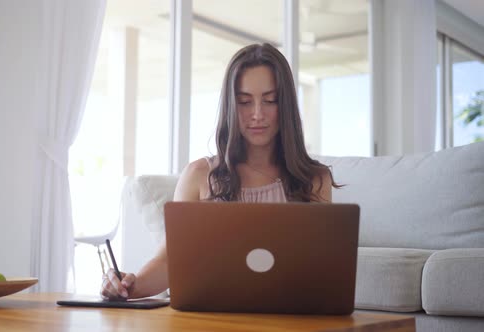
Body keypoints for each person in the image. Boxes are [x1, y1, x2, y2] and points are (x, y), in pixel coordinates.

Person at [100, 43, 340, 300]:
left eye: (270, 100)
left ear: (286, 106)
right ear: (230, 107)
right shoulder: (199, 176)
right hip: (214, 317)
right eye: (245, 102)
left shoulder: (314, 180)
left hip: (285, 315)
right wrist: (126, 286)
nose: (257, 114)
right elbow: (170, 261)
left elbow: (319, 269)